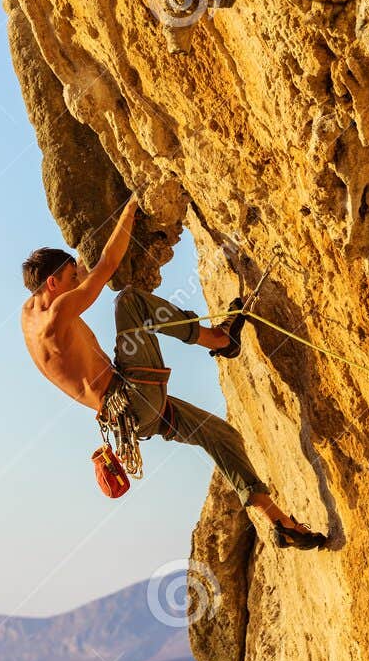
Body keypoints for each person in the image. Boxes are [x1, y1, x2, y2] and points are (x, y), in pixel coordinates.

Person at [19, 195, 328, 549]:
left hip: (132, 416)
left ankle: (281, 523)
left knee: (219, 435)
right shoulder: (56, 316)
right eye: (72, 277)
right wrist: (131, 209)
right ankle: (220, 339)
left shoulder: (30, 315)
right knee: (129, 301)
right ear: (53, 285)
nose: (80, 280)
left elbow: (91, 273)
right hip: (132, 397)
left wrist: (85, 263)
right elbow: (104, 268)